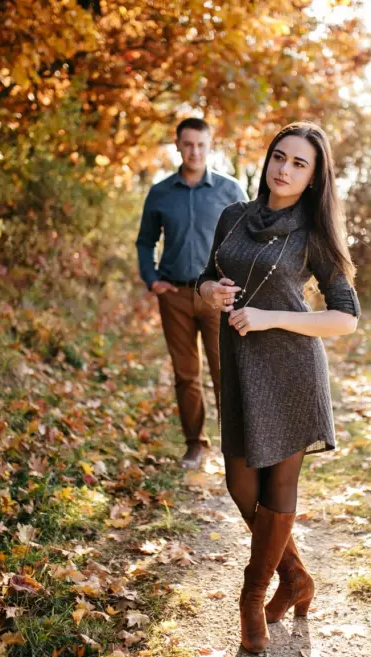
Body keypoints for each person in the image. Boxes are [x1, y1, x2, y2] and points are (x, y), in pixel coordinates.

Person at [195, 122, 360, 653]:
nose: (284, 169)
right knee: (242, 487)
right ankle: (296, 577)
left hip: (292, 369)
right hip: (241, 366)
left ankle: (252, 598)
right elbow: (204, 276)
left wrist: (269, 318)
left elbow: (346, 318)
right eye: (279, 157)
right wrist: (209, 292)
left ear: (313, 178)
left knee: (278, 488)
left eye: (298, 163)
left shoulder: (312, 232)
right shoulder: (233, 216)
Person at [137, 118, 248, 469]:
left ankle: (236, 446)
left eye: (201, 144)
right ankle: (195, 445)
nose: (194, 151)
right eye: (188, 144)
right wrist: (152, 278)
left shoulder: (230, 191)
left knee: (225, 373)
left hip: (218, 297)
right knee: (186, 375)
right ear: (178, 146)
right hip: (177, 296)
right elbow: (145, 241)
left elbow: (250, 239)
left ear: (209, 146)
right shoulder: (160, 193)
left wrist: (237, 282)